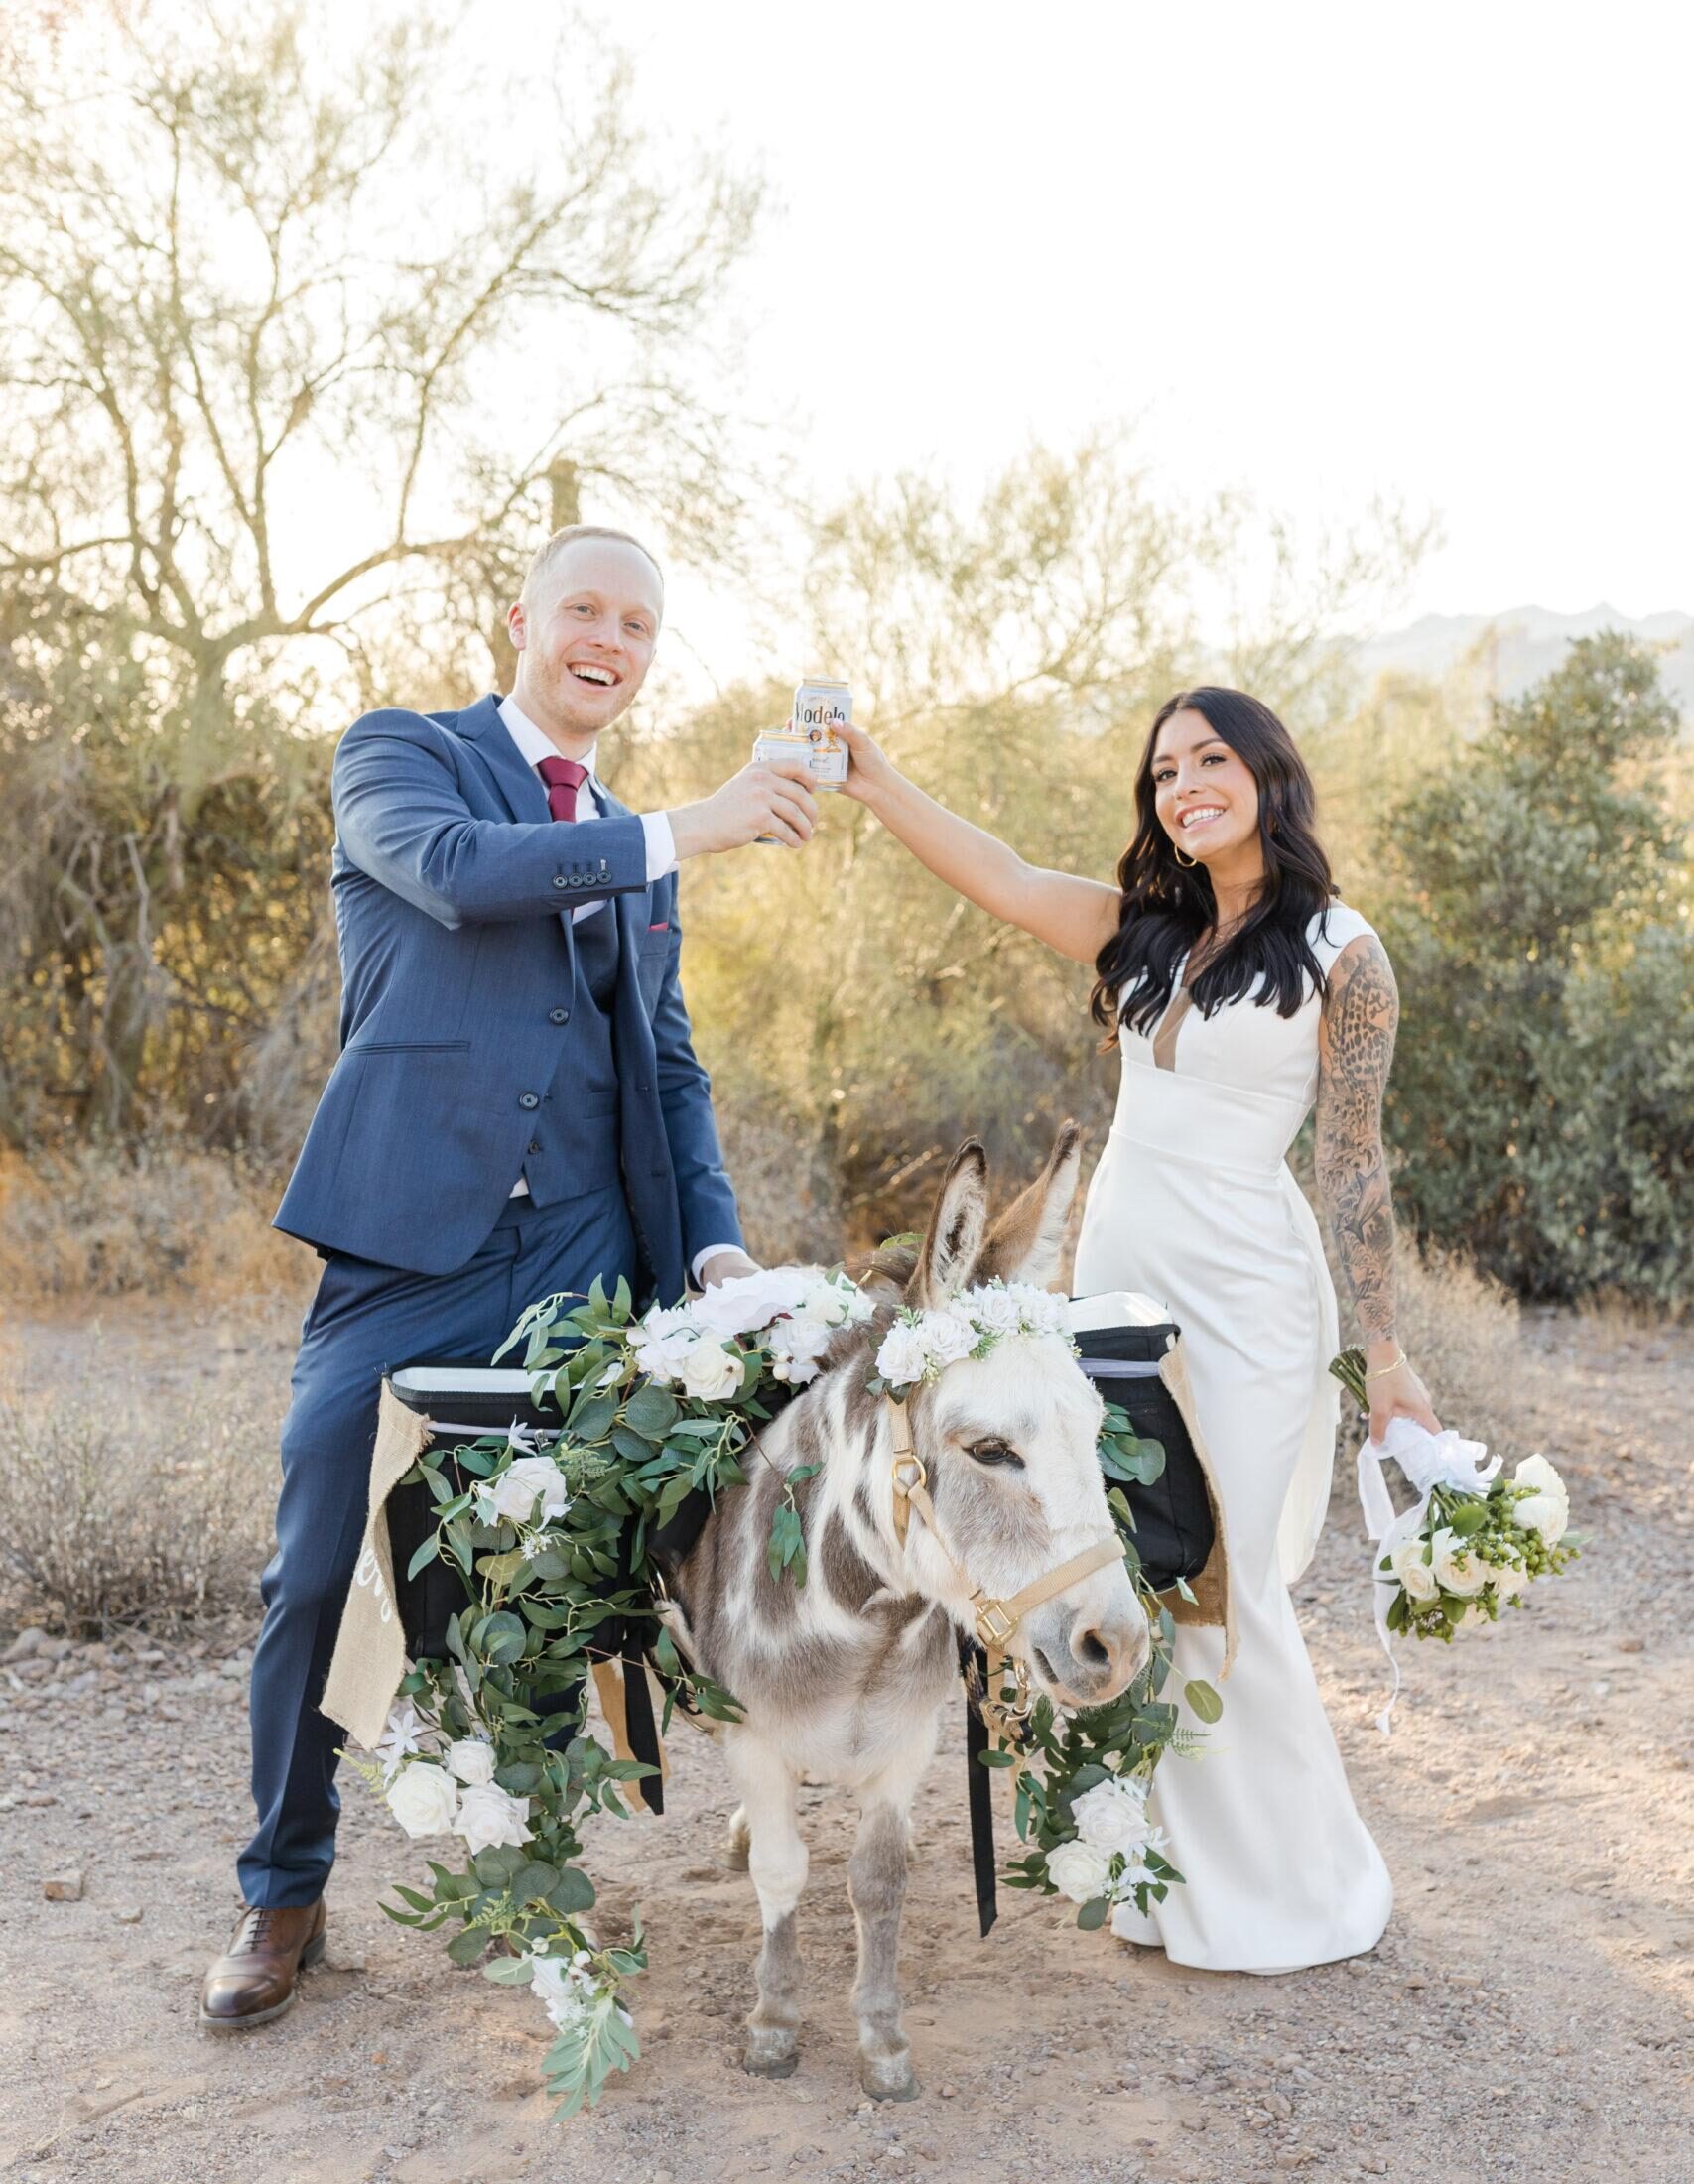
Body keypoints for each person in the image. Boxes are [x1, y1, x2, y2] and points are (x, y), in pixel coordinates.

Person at [201, 523, 821, 2029]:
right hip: (407, 1249)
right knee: (316, 1569)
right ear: (523, 621)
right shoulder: (400, 756)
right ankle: (284, 1891)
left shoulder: (636, 844)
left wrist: (712, 1245)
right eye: (586, 610)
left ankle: (567, 1855)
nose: (610, 639)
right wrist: (697, 820)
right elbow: (469, 878)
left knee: (599, 1558)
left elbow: (665, 1067)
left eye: (640, 624)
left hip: (587, 1267)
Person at [834, 687, 1439, 1975]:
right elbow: (997, 875)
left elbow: (1354, 1166)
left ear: (1270, 772)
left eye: (1210, 758)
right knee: (1141, 1570)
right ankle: (1165, 1875)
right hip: (1115, 1290)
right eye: (1164, 770)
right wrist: (874, 778)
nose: (1184, 785)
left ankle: (1295, 1884)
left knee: (1238, 1585)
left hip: (1252, 1293)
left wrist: (1384, 1353)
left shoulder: (1346, 952)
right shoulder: (1140, 933)